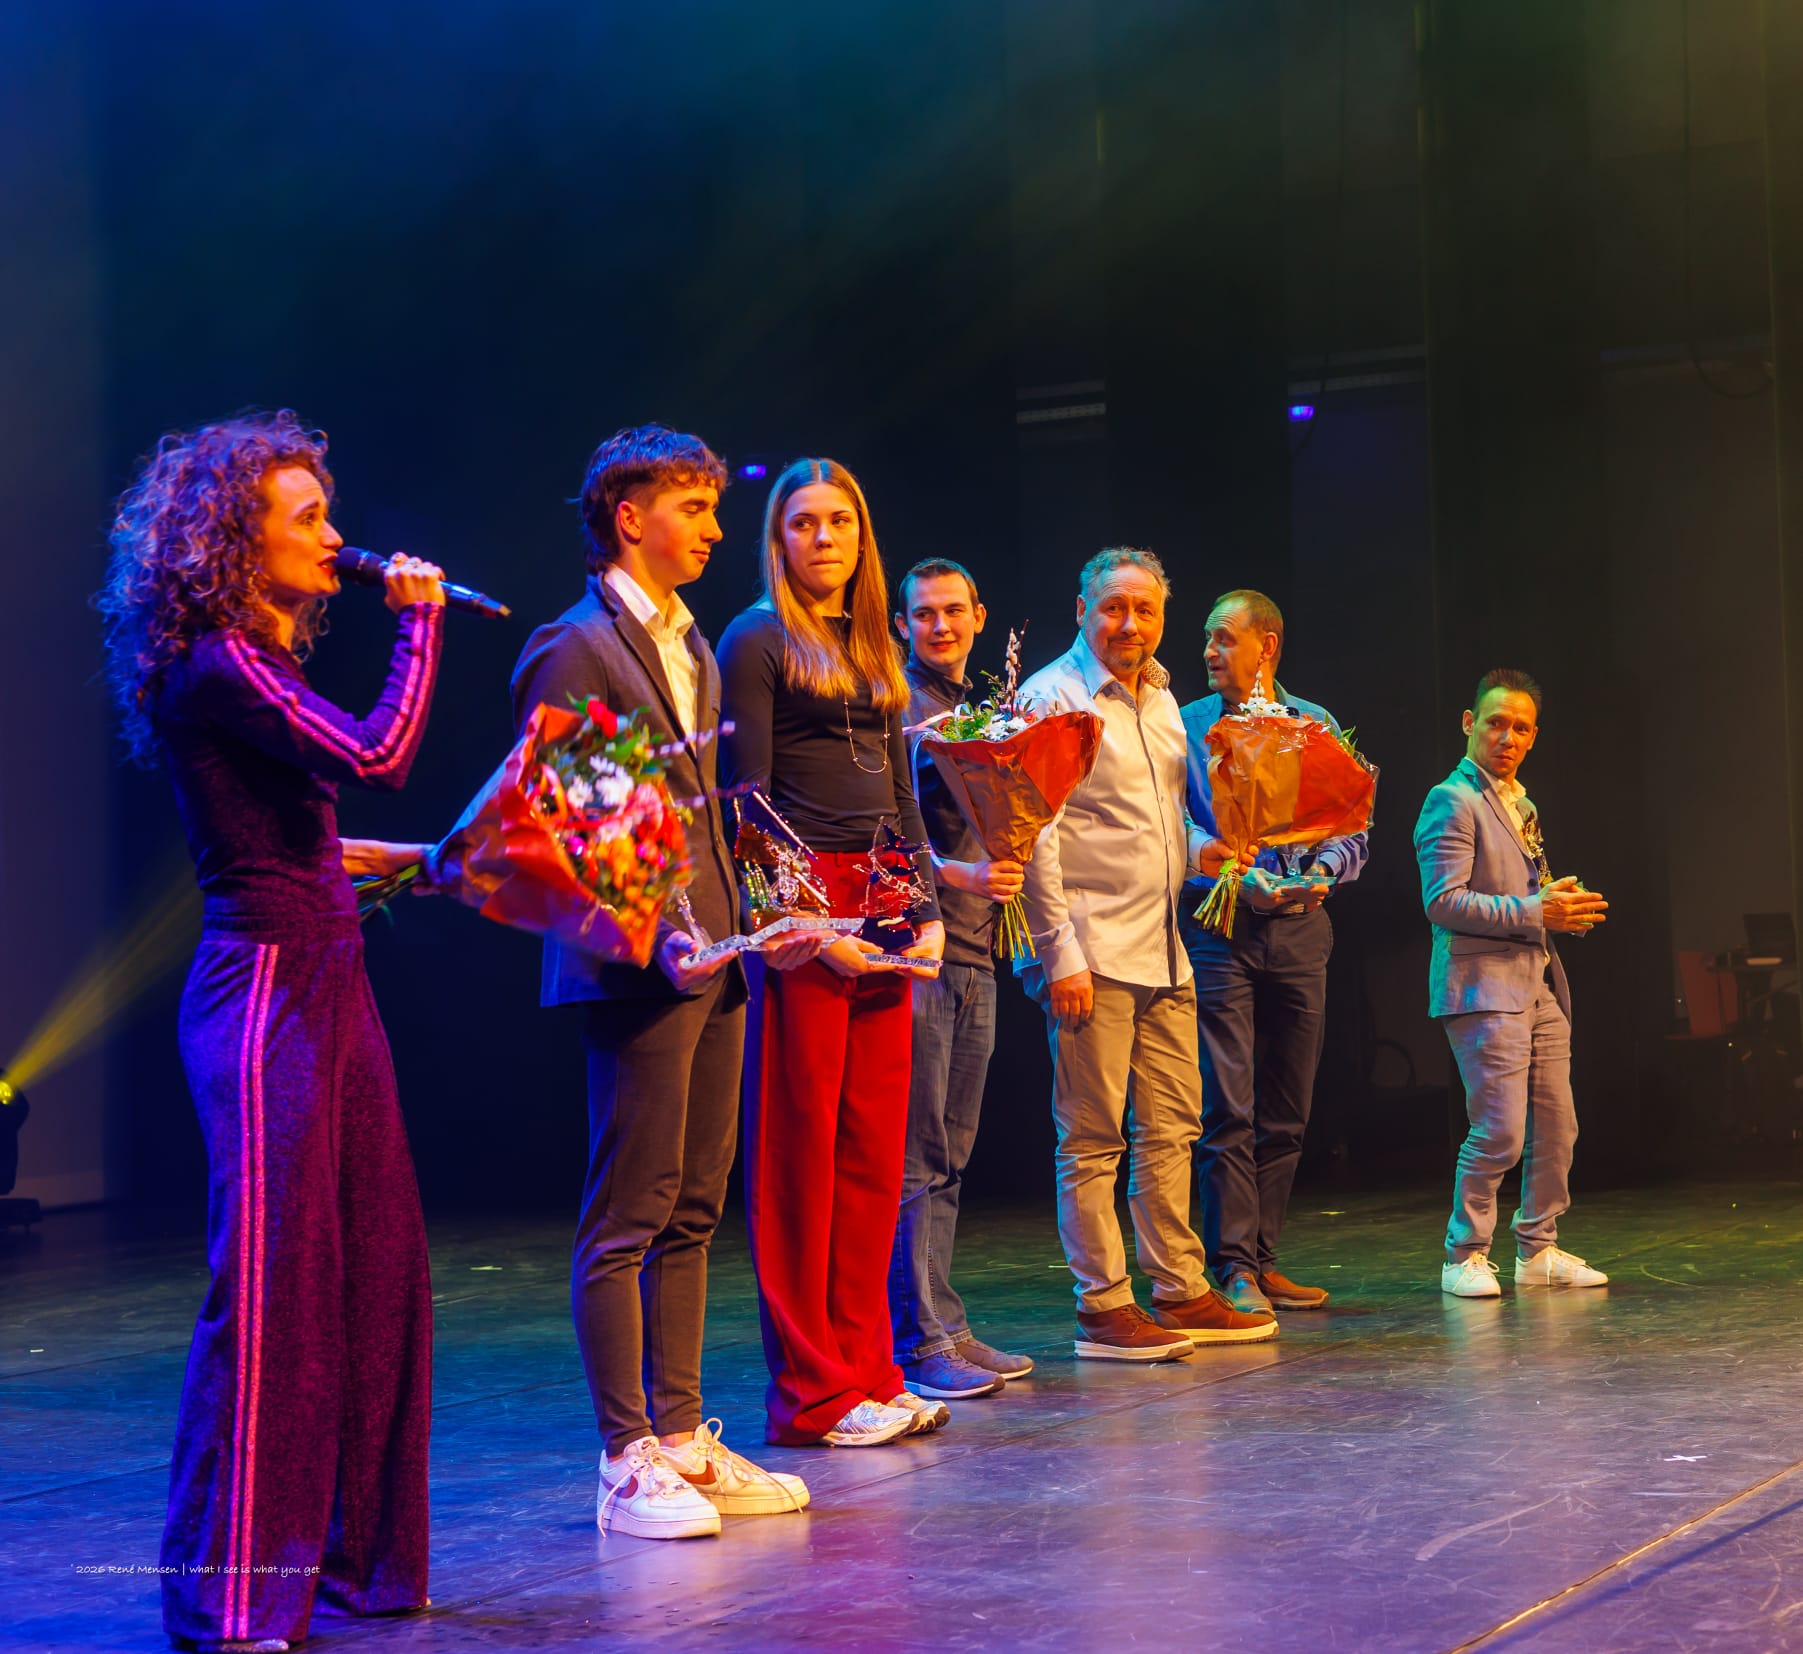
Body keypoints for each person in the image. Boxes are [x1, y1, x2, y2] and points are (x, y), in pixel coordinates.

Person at [98, 410, 445, 1653]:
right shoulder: (215, 662)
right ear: (237, 543)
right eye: (311, 519)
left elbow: (300, 839)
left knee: (378, 1269)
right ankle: (233, 1592)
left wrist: (433, 864)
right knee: (273, 1291)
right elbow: (382, 752)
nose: (338, 536)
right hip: (262, 999)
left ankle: (356, 1566)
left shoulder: (261, 660)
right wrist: (418, 622)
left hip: (331, 975)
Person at [510, 425, 818, 1540]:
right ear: (629, 516)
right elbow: (576, 831)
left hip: (716, 960)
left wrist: (756, 920)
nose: (716, 528)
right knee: (627, 1212)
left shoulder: (690, 644)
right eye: (694, 506)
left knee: (694, 1204)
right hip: (637, 970)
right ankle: (624, 1451)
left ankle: (683, 1433)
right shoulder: (574, 646)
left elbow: (698, 818)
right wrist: (654, 943)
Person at [719, 457, 947, 1448]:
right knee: (802, 1158)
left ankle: (868, 1368)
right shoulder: (755, 639)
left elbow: (898, 795)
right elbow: (746, 800)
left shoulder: (873, 643)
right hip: (802, 910)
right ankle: (812, 1393)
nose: (824, 538)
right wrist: (806, 930)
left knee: (869, 1155)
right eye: (805, 523)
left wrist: (922, 908)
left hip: (880, 902)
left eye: (841, 522)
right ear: (779, 538)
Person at [1016, 548, 1277, 1360]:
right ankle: (1101, 1305)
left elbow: (1157, 818)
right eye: (1114, 607)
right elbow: (1035, 835)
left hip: (1165, 948)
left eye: (1145, 611)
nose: (1129, 624)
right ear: (1083, 608)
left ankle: (1178, 1286)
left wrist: (1204, 850)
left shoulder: (1161, 699)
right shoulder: (1051, 697)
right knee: (1093, 1138)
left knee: (1172, 1126)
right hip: (1090, 951)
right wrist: (1059, 954)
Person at [1179, 590, 1368, 1315]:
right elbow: (1177, 824)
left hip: (1298, 929)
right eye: (1205, 639)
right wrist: (1232, 873)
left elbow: (1349, 822)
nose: (1208, 652)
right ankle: (1229, 1266)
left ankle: (1261, 1257)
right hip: (1219, 927)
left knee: (1287, 1107)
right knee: (1227, 1103)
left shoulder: (1312, 724)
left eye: (1223, 639)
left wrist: (1322, 873)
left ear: (1268, 648)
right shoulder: (1187, 725)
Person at [886, 558, 1035, 1400]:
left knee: (951, 1152)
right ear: (903, 624)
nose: (939, 626)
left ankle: (945, 1322)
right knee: (917, 1154)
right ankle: (919, 1341)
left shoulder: (983, 711)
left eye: (952, 611)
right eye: (922, 615)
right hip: (926, 947)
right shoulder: (899, 709)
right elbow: (893, 837)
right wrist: (960, 877)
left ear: (979, 615)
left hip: (977, 948)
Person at [1416, 669, 1612, 1298]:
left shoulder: (1520, 803)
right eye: (1495, 722)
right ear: (1469, 723)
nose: (1506, 736)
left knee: (1558, 1126)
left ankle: (1540, 1248)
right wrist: (1535, 912)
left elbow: (1529, 893)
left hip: (1537, 984)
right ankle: (1464, 1254)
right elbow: (1443, 902)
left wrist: (1560, 911)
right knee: (1500, 1129)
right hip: (1481, 987)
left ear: (1533, 738)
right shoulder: (1452, 799)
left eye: (1520, 728)